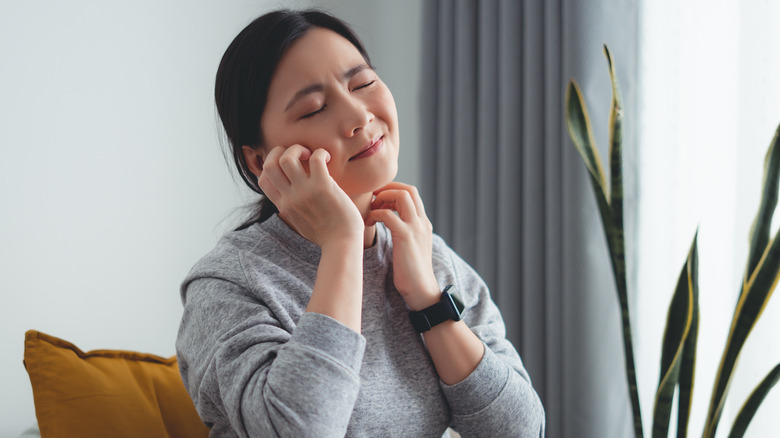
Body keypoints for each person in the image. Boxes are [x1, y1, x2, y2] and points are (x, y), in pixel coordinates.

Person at [176, 8, 545, 438]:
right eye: (314, 109)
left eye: (363, 83)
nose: (358, 116)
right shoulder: (227, 284)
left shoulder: (425, 251)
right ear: (260, 160)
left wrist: (428, 299)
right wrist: (341, 242)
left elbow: (522, 430)